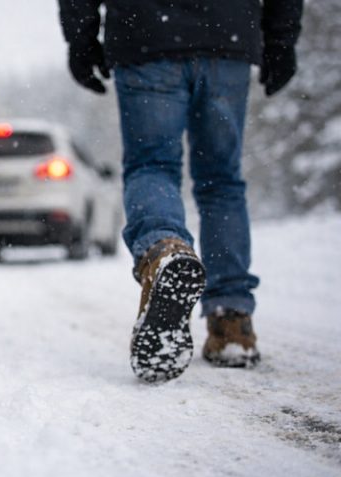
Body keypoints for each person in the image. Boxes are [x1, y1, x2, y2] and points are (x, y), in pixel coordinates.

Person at [57, 1, 304, 382]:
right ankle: (231, 321)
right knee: (221, 181)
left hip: (145, 32)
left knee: (151, 165)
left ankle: (164, 249)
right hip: (228, 31)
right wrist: (281, 37)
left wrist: (81, 37)